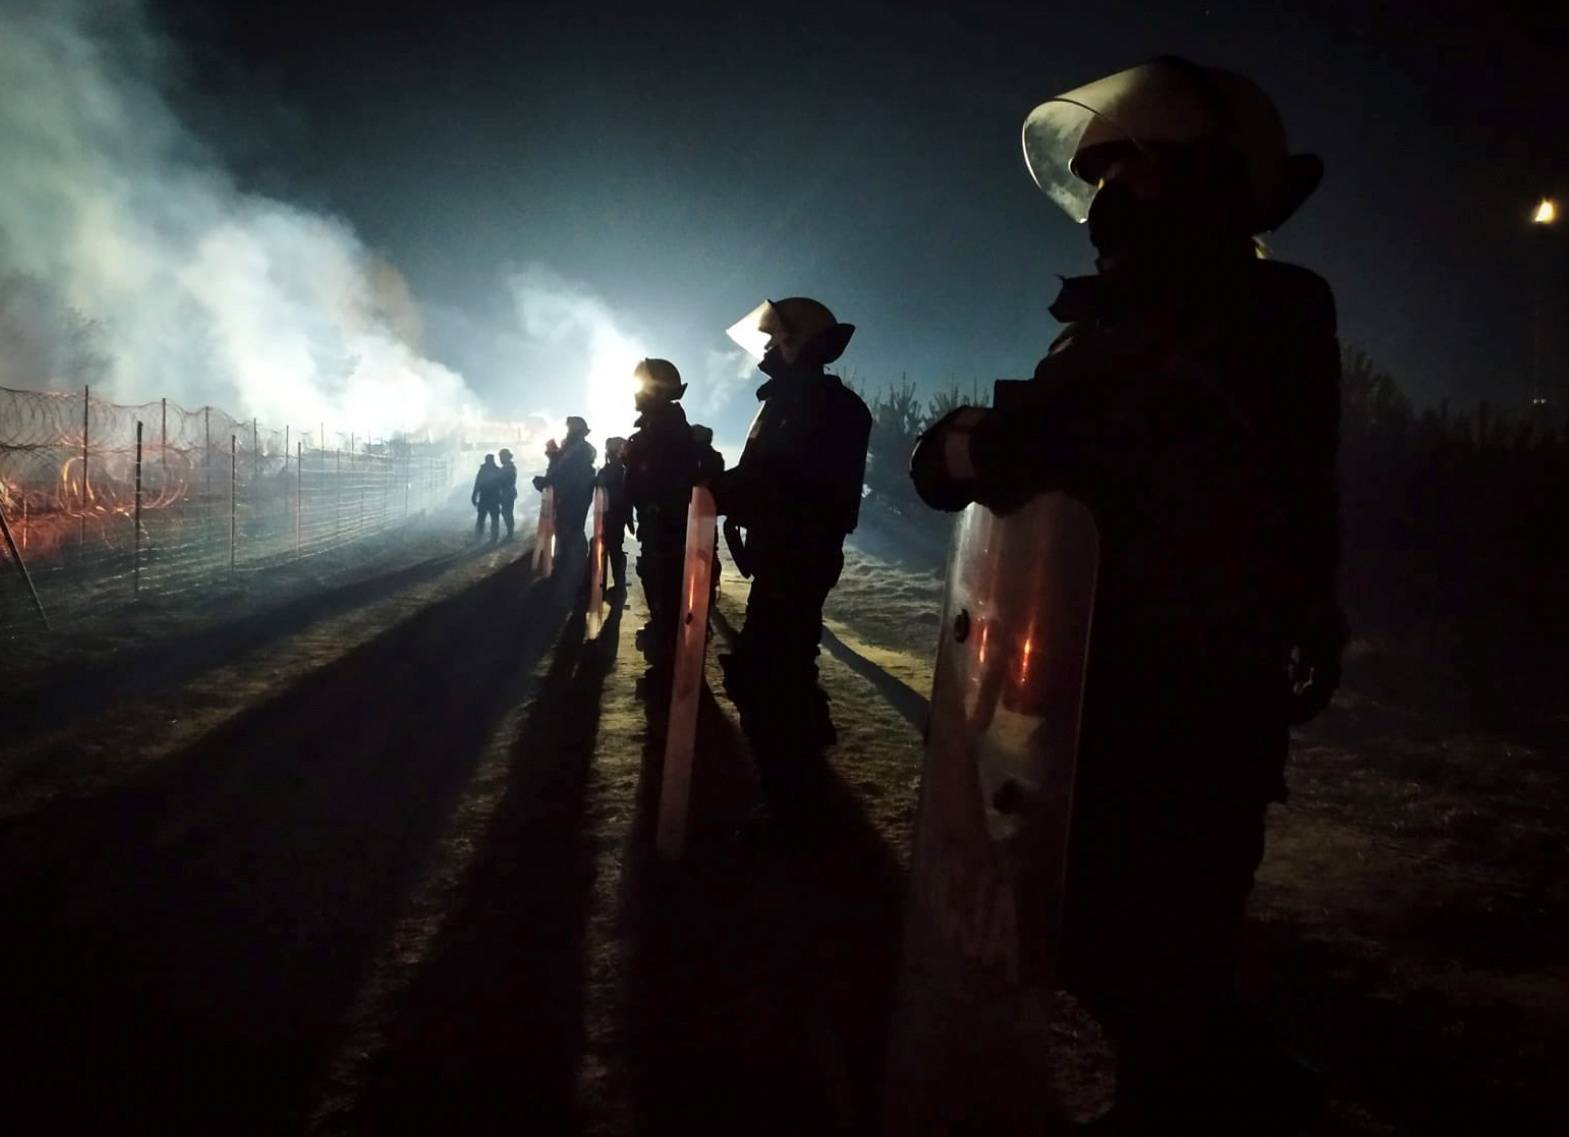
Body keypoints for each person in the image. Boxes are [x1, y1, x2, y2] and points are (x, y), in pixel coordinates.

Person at [909, 56, 1342, 1134]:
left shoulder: (1215, 313)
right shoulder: (1192, 313)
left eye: (1126, 171)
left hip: (1174, 702)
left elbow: (1020, 454)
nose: (1102, 197)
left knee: (1145, 953)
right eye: (1097, 175)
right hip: (1128, 692)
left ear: (1191, 173)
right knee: (1140, 956)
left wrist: (970, 440)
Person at [714, 297, 872, 782]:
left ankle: (793, 795)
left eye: (774, 337)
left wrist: (719, 489)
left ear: (797, 342)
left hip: (798, 557)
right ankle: (801, 770)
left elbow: (787, 485)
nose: (765, 346)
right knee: (785, 664)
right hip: (784, 554)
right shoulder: (793, 401)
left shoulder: (823, 406)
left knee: (767, 672)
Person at [622, 358, 699, 677]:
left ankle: (671, 662)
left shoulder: (665, 428)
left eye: (642, 387)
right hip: (657, 525)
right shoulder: (658, 425)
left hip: (666, 528)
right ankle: (667, 645)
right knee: (658, 583)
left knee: (666, 585)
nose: (635, 394)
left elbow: (664, 481)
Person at [534, 416, 597, 573]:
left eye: (570, 428)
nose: (568, 432)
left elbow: (566, 473)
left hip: (575, 495)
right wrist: (554, 457)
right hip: (574, 495)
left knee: (571, 530)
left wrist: (547, 480)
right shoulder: (576, 449)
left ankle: (574, 569)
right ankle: (570, 565)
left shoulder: (579, 450)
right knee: (567, 528)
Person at [596, 435, 633, 593]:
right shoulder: (621, 470)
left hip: (612, 514)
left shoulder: (614, 470)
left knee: (612, 548)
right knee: (613, 548)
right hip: (614, 514)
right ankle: (617, 583)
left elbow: (625, 495)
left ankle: (615, 584)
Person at [471, 452, 502, 541]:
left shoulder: (483, 470)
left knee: (483, 518)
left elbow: (477, 484)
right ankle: (493, 537)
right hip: (492, 498)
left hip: (485, 497)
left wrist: (474, 495)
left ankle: (479, 536)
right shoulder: (497, 471)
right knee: (493, 518)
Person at [497, 447, 519, 539]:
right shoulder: (508, 467)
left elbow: (505, 480)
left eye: (502, 457)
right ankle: (510, 531)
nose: (500, 459)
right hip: (508, 492)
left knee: (507, 512)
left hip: (508, 492)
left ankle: (510, 532)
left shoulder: (509, 468)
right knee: (506, 512)